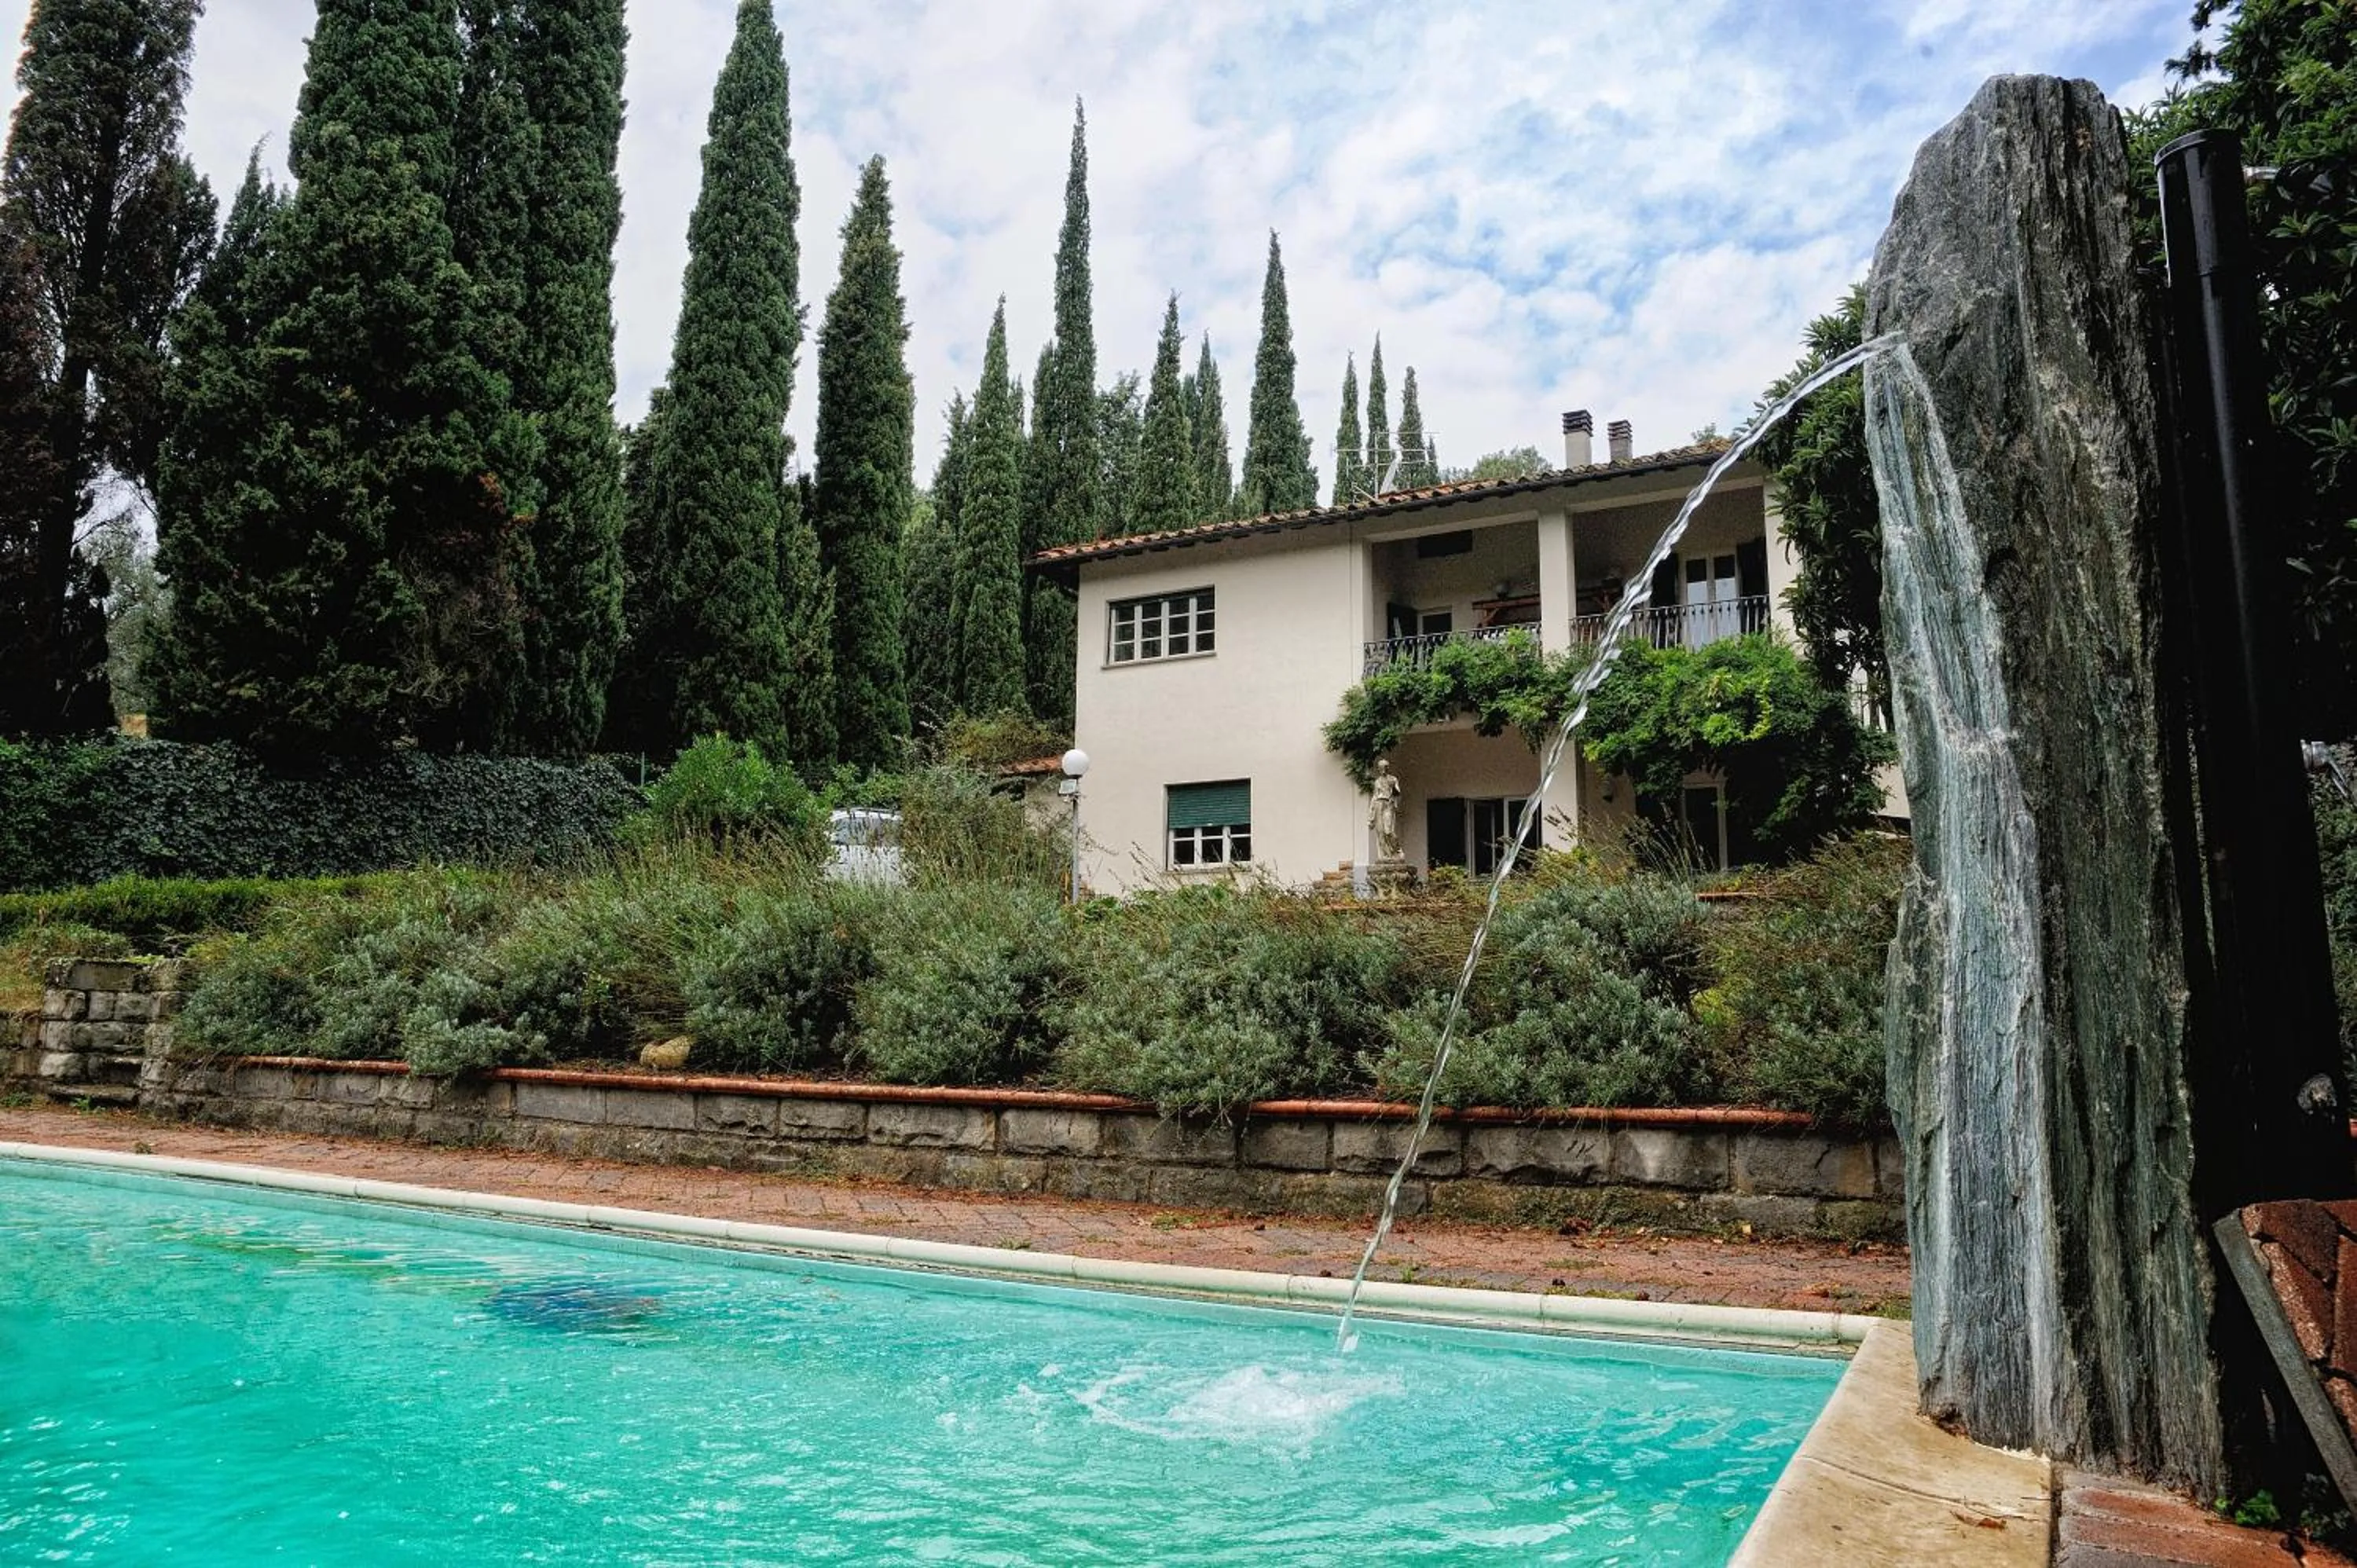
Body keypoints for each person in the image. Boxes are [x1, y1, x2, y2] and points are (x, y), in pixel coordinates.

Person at [1369, 759, 1403, 862]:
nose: (1384, 769)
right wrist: (1371, 817)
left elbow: (1398, 793)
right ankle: (1387, 856)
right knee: (1380, 832)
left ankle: (1398, 850)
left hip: (1388, 805)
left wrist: (1393, 787)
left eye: (1385, 767)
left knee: (1388, 831)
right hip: (1379, 805)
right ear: (1379, 769)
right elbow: (1375, 797)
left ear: (1388, 768)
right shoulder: (1377, 782)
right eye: (1382, 767)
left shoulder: (1393, 779)